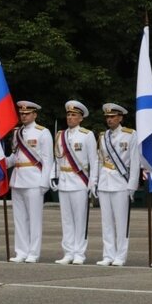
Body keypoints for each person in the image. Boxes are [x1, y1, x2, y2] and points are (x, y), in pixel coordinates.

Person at [51, 100, 98, 265]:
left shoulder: (87, 135)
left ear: (81, 118)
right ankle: (68, 252)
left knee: (80, 219)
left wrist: (93, 182)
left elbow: (94, 161)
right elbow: (57, 159)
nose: (70, 118)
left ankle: (79, 253)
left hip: (79, 182)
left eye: (74, 115)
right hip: (64, 181)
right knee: (67, 220)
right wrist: (53, 175)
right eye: (68, 114)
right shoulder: (60, 135)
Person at [6, 101, 53, 263]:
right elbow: (14, 157)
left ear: (34, 115)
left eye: (27, 113)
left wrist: (44, 182)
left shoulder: (43, 132)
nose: (24, 116)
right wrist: (2, 162)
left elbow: (48, 160)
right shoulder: (17, 132)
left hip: (34, 179)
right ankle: (21, 251)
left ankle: (33, 252)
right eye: (22, 113)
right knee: (19, 219)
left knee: (34, 219)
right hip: (18, 179)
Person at [95, 103, 140, 267]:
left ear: (120, 118)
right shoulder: (102, 136)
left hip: (121, 182)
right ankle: (108, 254)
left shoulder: (130, 135)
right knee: (106, 222)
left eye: (113, 117)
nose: (109, 120)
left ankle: (120, 255)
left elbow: (135, 162)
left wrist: (132, 186)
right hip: (105, 181)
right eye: (107, 117)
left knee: (121, 222)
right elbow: (98, 160)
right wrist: (95, 181)